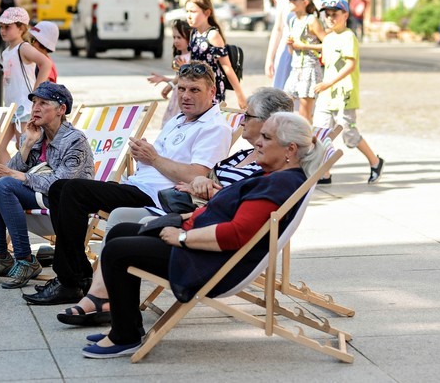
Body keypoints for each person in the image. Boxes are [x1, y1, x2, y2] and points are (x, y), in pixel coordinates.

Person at [80, 112, 327, 358]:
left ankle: (124, 338)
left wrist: (182, 238)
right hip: (203, 250)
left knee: (117, 251)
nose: (258, 142)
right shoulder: (272, 176)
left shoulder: (277, 183)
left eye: (266, 137)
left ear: (290, 149)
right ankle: (128, 326)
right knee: (121, 231)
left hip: (209, 262)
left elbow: (236, 233)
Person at [56, 88, 294, 327]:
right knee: (113, 218)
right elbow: (225, 194)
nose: (242, 120)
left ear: (269, 124)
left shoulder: (269, 174)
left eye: (248, 116)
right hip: (191, 211)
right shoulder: (241, 155)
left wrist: (182, 233)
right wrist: (202, 187)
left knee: (116, 232)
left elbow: (235, 216)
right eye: (180, 88)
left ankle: (112, 315)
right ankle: (102, 300)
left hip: (201, 236)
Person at [22, 63, 233, 306]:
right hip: (138, 186)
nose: (185, 96)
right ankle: (75, 275)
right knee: (62, 188)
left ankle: (72, 280)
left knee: (70, 189)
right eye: (181, 88)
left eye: (194, 90)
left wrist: (153, 158)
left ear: (212, 91)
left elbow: (196, 176)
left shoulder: (215, 128)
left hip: (159, 197)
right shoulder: (178, 120)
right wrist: (144, 156)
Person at [0, 83, 95, 288]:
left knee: (5, 185)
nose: (35, 108)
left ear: (61, 109)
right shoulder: (37, 136)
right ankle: (0, 256)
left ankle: (25, 259)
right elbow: (8, 171)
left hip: (64, 202)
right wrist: (27, 144)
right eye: (34, 103)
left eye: (43, 103)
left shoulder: (75, 140)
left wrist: (16, 175)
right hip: (39, 195)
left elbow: (60, 185)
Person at [313, 0, 384, 184]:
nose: (330, 18)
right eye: (327, 15)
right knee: (320, 133)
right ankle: (324, 173)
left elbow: (349, 66)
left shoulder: (348, 37)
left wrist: (328, 83)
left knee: (349, 134)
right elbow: (325, 61)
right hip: (326, 95)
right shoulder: (328, 38)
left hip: (344, 94)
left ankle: (375, 161)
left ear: (345, 15)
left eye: (334, 14)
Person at [0, 7, 54, 164]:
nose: (3, 31)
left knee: (25, 148)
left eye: (7, 27)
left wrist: (37, 91)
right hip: (11, 106)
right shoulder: (7, 51)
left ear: (21, 28)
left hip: (23, 107)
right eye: (1, 27)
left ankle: (24, 180)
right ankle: (8, 177)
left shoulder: (23, 48)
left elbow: (46, 63)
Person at [264, 0, 333, 90]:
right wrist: (269, 58)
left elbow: (333, 23)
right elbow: (278, 29)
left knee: (310, 94)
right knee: (284, 94)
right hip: (287, 51)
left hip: (313, 54)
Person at [185, 0, 248, 108]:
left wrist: (240, 95)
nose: (189, 16)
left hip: (211, 89)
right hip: (196, 87)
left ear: (207, 13)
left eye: (193, 12)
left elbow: (227, 67)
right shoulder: (194, 33)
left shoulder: (213, 35)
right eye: (187, 11)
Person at [284, 0, 326, 122]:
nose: (290, 2)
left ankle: (307, 141)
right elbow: (292, 51)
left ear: (305, 2)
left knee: (304, 114)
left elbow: (327, 45)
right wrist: (291, 45)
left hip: (310, 68)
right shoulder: (293, 20)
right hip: (296, 68)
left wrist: (304, 46)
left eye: (294, 0)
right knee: (284, 103)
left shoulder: (312, 20)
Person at [147, 19, 192, 127]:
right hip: (176, 97)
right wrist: (165, 79)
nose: (176, 41)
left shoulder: (193, 57)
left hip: (185, 96)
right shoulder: (178, 57)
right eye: (174, 37)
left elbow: (189, 79)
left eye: (179, 37)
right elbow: (178, 79)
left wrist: (170, 84)